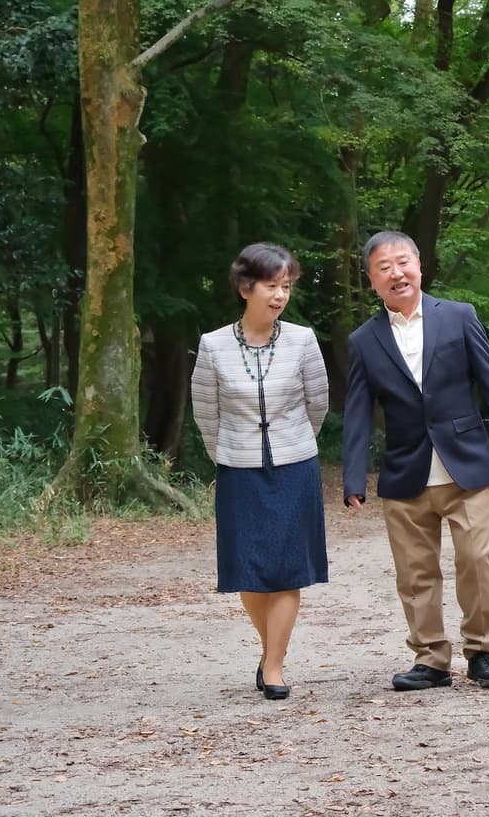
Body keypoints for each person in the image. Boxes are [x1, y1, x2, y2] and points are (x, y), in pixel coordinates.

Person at [342, 231, 489, 693]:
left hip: (466, 464)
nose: (396, 273)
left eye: (403, 262)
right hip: (405, 469)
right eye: (384, 267)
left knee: (477, 558)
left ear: (420, 266)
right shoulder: (364, 340)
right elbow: (358, 410)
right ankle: (431, 658)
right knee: (415, 571)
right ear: (372, 280)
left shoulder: (458, 317)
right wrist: (353, 475)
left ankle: (483, 652)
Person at [191, 242, 329, 701]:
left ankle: (273, 666)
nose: (279, 295)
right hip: (238, 466)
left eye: (285, 286)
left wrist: (293, 444)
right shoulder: (212, 346)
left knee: (290, 569)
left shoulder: (303, 340)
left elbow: (317, 404)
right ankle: (269, 649)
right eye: (271, 285)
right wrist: (229, 451)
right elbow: (206, 413)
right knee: (247, 570)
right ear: (245, 287)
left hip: (295, 465)